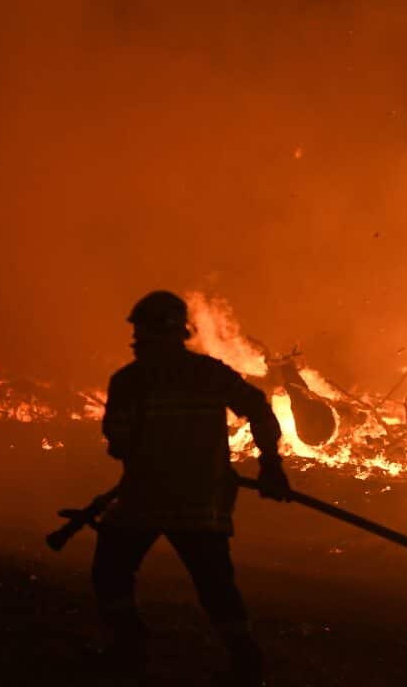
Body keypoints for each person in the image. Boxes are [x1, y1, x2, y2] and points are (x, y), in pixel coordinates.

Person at [93, 290, 290, 685]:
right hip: (202, 502)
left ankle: (129, 648)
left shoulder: (130, 382)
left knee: (111, 572)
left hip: (143, 501)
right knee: (216, 585)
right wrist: (270, 465)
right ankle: (246, 662)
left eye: (140, 331)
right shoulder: (209, 374)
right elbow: (258, 407)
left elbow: (119, 445)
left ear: (154, 332)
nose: (135, 340)